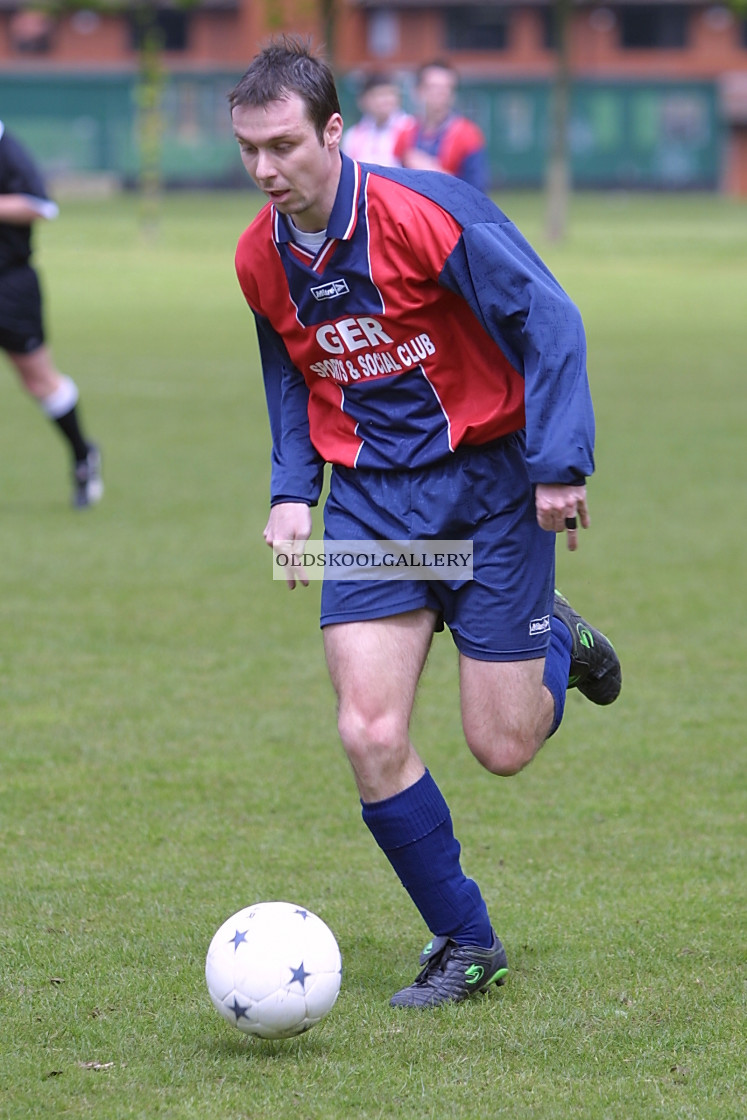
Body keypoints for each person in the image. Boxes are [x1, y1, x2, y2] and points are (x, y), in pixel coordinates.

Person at [229, 39, 621, 1009]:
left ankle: (554, 635)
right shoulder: (259, 257)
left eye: (283, 145)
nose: (267, 170)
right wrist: (292, 489)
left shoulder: (423, 211)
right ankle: (465, 941)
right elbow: (291, 369)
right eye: (249, 150)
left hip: (490, 488)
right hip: (368, 503)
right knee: (367, 730)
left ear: (332, 130)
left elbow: (550, 318)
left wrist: (560, 463)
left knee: (504, 744)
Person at [0, 121, 102, 509]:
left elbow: (40, 205)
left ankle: (82, 456)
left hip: (10, 286)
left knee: (39, 381)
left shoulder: (8, 150)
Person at [393, 59, 489, 192]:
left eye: (447, 87)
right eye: (433, 87)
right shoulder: (405, 133)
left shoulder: (468, 135)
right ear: (418, 91)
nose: (441, 93)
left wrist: (433, 171)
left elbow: (477, 192)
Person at [341, 71, 412, 168]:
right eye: (378, 95)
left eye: (389, 94)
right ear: (363, 101)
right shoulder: (353, 135)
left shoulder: (410, 129)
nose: (384, 101)